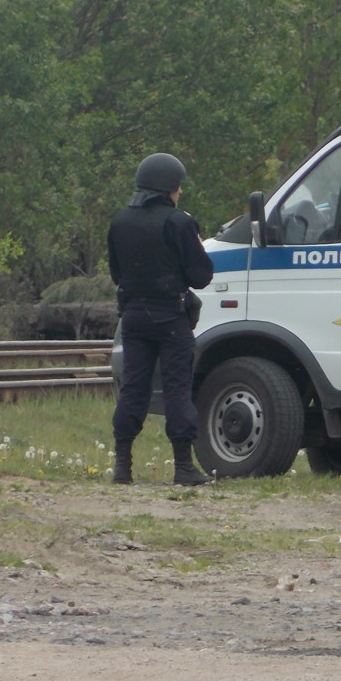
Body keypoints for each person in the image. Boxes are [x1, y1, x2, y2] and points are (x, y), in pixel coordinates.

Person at [108, 153, 214, 485]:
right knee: (178, 389)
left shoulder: (119, 221)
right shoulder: (179, 222)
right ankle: (183, 467)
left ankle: (122, 467)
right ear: (168, 187)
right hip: (170, 317)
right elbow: (201, 275)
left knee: (133, 389)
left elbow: (115, 273)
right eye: (178, 186)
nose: (180, 192)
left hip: (134, 317)